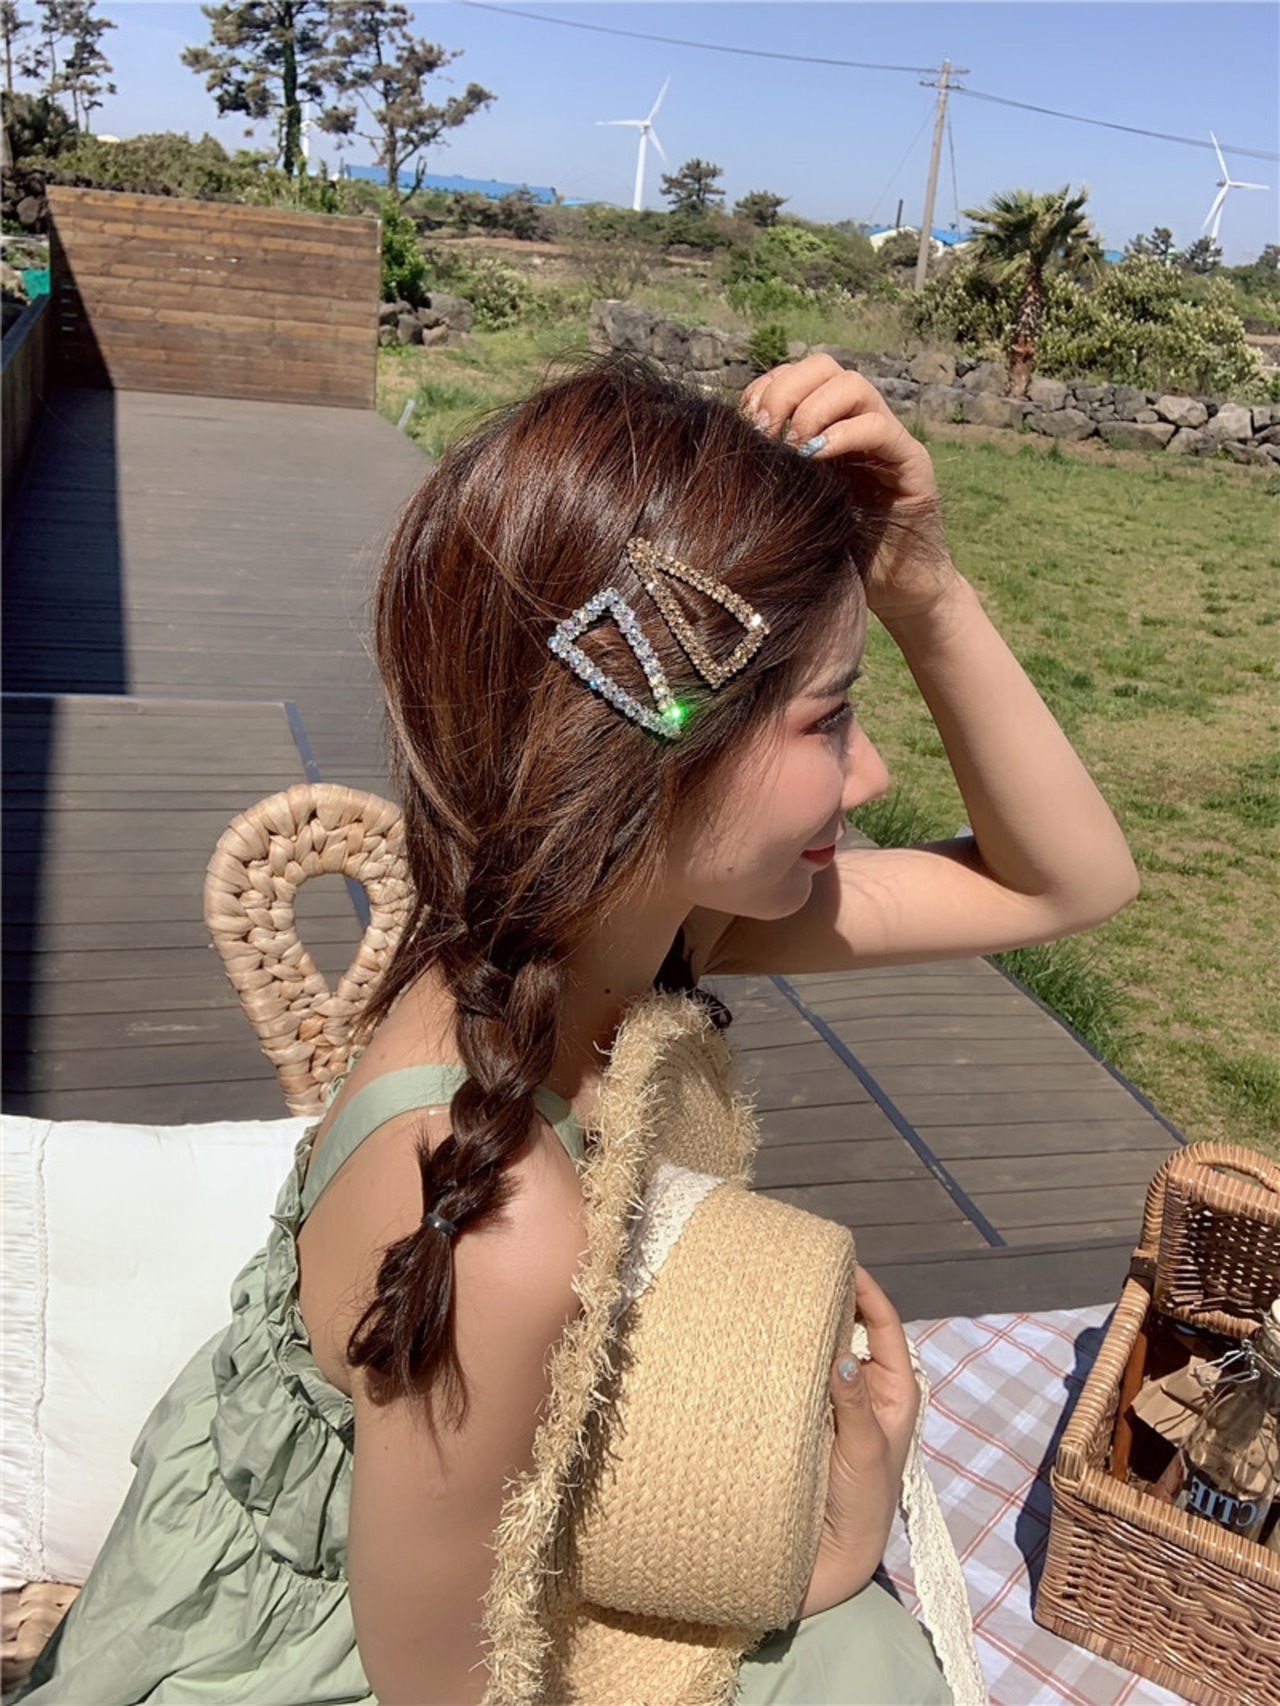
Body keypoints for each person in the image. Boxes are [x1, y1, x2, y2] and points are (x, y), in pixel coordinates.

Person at [16, 353, 1137, 1706]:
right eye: (832, 718)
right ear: (650, 763)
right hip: (339, 1648)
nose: (875, 772)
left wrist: (927, 586)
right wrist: (801, 1558)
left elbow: (1067, 884)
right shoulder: (500, 1222)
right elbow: (446, 1681)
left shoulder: (632, 923)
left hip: (490, 1511)